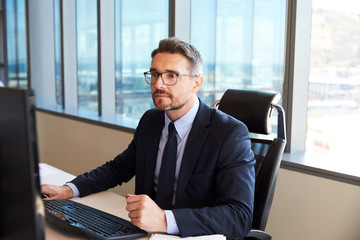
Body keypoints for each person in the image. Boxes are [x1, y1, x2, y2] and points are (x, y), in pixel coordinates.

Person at [41, 37, 255, 239]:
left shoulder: (229, 134)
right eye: (154, 74)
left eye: (172, 75)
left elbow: (239, 216)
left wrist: (165, 220)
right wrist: (70, 189)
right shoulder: (151, 120)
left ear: (196, 83)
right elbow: (119, 168)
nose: (159, 84)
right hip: (144, 233)